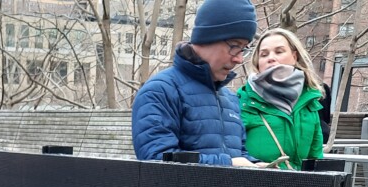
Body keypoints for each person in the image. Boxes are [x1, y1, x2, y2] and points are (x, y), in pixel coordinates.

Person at [131, 0, 260, 165]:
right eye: (234, 46)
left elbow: (239, 154)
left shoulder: (230, 99)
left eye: (244, 49)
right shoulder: (160, 91)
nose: (239, 59)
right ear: (207, 37)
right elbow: (158, 160)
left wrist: (257, 166)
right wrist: (229, 164)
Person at [237, 28, 324, 170]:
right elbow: (230, 154)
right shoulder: (242, 102)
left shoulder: (309, 103)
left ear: (294, 56)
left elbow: (316, 159)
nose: (271, 57)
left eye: (279, 52)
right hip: (254, 186)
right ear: (257, 61)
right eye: (264, 54)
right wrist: (252, 166)